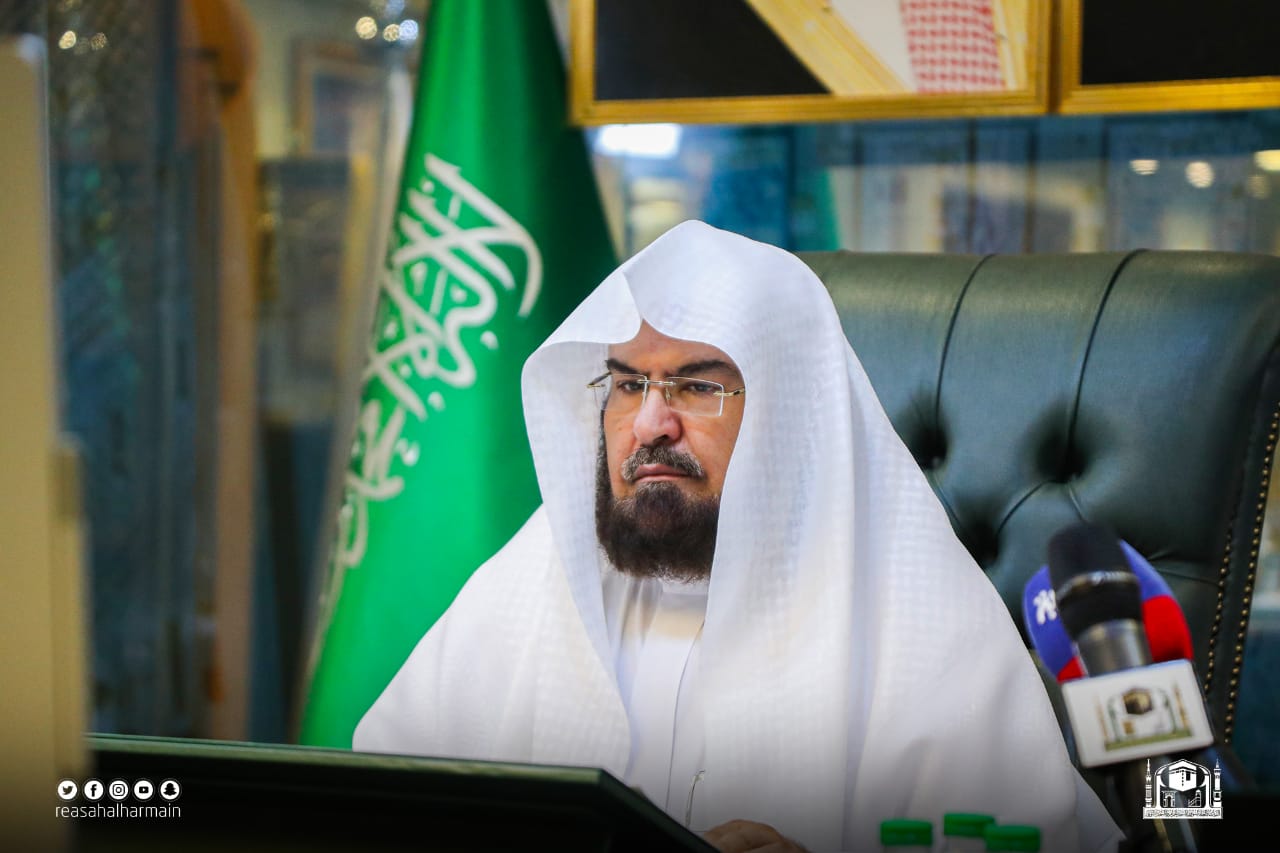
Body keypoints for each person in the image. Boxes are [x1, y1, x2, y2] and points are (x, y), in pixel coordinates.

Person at [353, 221, 1121, 852]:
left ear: (791, 416)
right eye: (627, 384)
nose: (650, 423)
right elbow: (368, 812)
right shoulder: (529, 585)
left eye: (696, 384)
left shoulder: (918, 623)